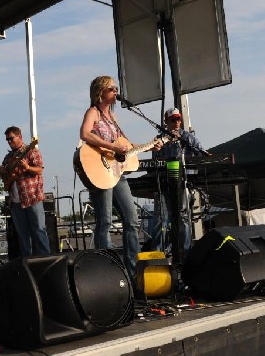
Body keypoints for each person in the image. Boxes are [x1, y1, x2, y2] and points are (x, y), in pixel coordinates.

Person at [78, 75, 144, 282]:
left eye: (115, 89)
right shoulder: (93, 112)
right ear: (100, 92)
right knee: (104, 221)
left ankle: (132, 271)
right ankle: (106, 271)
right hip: (101, 171)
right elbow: (85, 134)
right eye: (112, 89)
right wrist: (112, 147)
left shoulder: (113, 118)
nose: (116, 92)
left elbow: (123, 145)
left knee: (131, 219)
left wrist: (149, 145)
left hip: (117, 172)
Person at [149, 107, 206, 254]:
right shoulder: (159, 140)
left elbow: (203, 154)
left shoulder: (188, 137)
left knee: (183, 217)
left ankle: (185, 253)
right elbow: (153, 163)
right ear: (166, 122)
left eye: (178, 119)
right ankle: (157, 254)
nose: (176, 122)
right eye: (173, 120)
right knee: (160, 218)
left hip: (183, 183)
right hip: (164, 184)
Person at [0, 126, 50, 257]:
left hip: (32, 198)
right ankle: (27, 263)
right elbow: (5, 175)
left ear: (19, 136)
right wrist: (1, 171)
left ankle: (45, 262)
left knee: (39, 231)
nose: (9, 142)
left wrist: (27, 167)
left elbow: (40, 170)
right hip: (16, 202)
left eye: (11, 138)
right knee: (23, 235)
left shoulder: (31, 150)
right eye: (7, 140)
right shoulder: (8, 157)